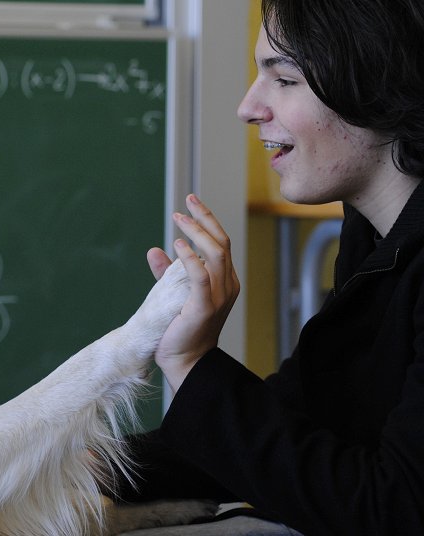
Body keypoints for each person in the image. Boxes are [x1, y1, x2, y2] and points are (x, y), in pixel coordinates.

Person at [106, 0, 424, 534]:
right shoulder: (371, 236)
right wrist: (59, 466)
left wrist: (189, 363)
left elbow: (395, 510)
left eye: (285, 78)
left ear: (376, 81)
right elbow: (305, 422)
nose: (249, 106)